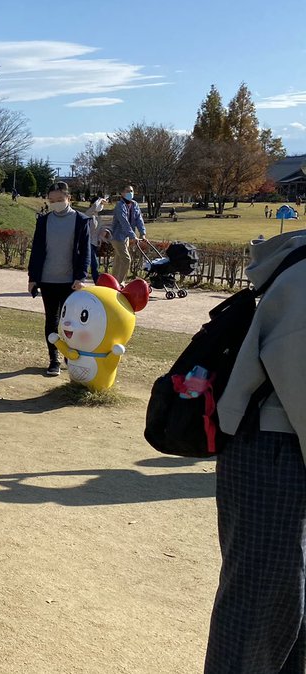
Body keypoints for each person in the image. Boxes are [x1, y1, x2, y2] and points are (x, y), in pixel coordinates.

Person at [205, 230, 306, 673]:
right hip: (273, 449)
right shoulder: (303, 280)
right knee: (257, 608)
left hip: (281, 447)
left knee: (287, 603)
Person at [28, 182, 92, 377]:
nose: (55, 203)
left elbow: (85, 252)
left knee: (70, 323)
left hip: (70, 281)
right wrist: (33, 278)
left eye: (60, 200)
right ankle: (53, 359)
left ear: (68, 199)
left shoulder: (81, 220)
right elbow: (37, 250)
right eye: (52, 200)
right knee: (51, 320)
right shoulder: (44, 221)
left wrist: (81, 276)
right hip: (48, 279)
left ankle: (70, 357)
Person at [110, 185, 146, 281]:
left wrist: (142, 232)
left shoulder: (134, 204)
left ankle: (113, 281)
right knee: (126, 260)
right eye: (128, 191)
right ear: (122, 193)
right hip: (117, 237)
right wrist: (133, 235)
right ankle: (121, 282)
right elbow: (124, 222)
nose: (130, 193)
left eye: (132, 191)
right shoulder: (119, 205)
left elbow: (139, 219)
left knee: (118, 261)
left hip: (125, 238)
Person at [82, 194, 111, 281]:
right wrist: (99, 199)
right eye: (100, 204)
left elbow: (99, 230)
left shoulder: (98, 217)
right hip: (87, 242)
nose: (101, 206)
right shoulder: (88, 214)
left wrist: (101, 238)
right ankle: (96, 280)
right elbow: (94, 207)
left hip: (94, 243)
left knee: (91, 263)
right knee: (94, 263)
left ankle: (84, 279)